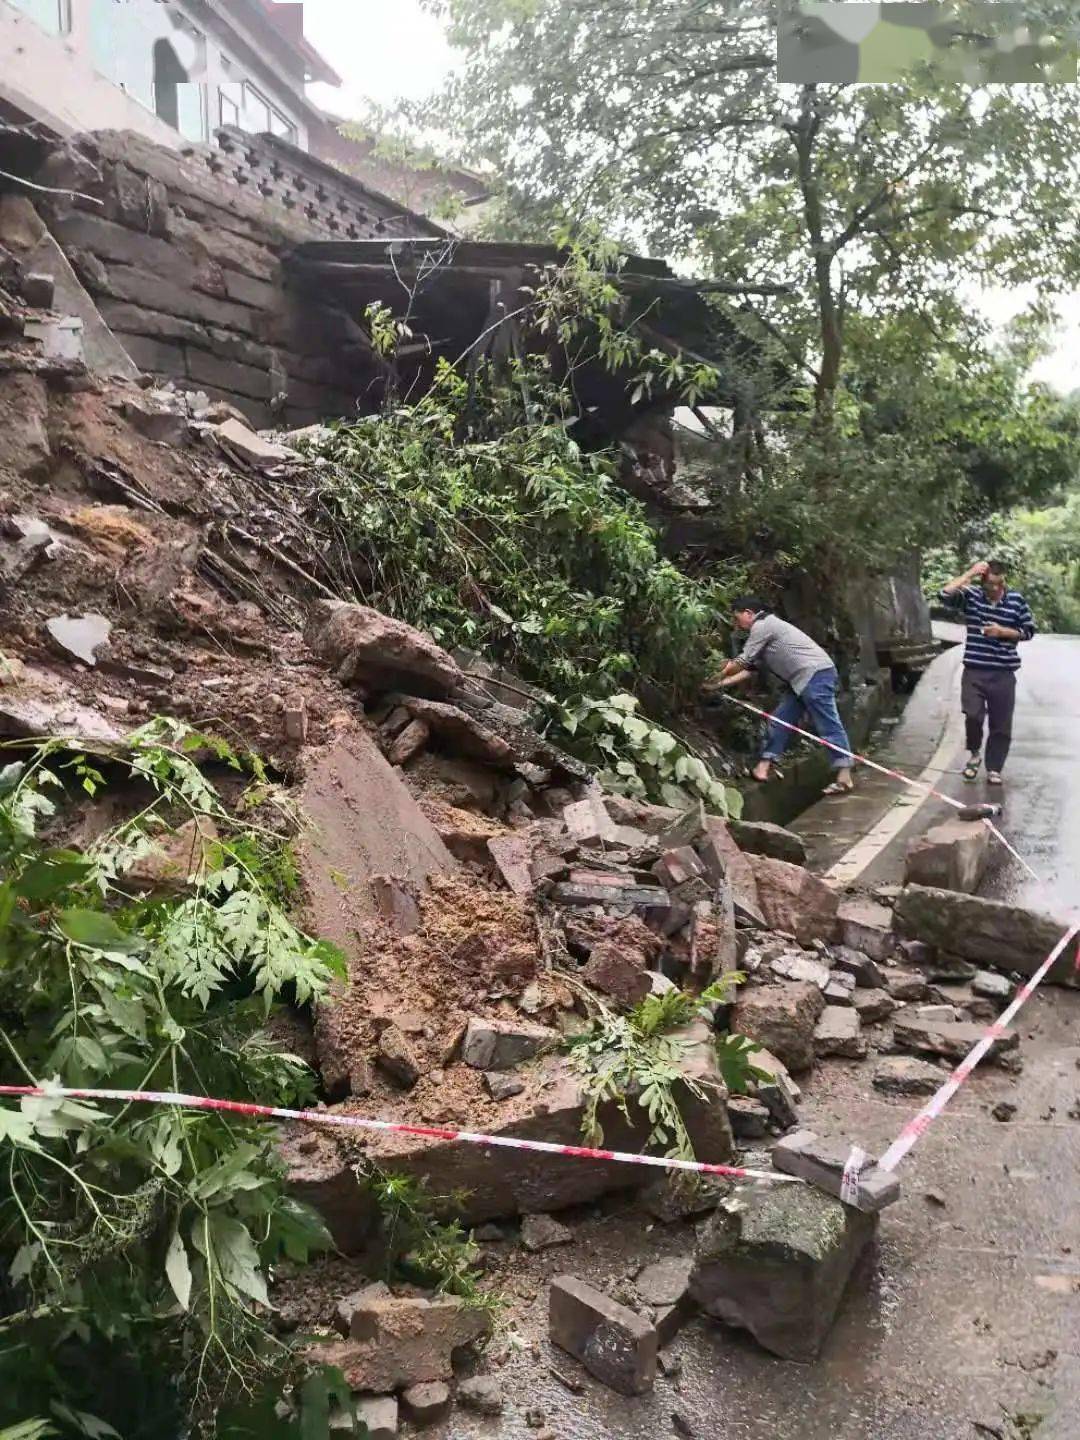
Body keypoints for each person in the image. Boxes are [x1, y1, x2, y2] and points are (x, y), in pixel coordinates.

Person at [705, 597, 855, 794]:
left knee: (827, 723)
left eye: (737, 617)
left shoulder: (763, 625)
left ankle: (845, 776)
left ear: (749, 613)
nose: (736, 624)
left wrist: (714, 676)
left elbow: (742, 661)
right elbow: (751, 669)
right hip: (801, 680)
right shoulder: (765, 631)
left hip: (815, 674)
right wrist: (718, 684)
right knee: (780, 719)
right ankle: (763, 767)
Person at [939, 559, 1035, 786]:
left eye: (999, 584)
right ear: (983, 584)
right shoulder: (972, 597)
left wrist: (1003, 631)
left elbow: (1028, 631)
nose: (996, 590)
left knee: (1001, 724)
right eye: (991, 585)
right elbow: (944, 595)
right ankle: (974, 754)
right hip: (975, 670)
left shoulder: (1016, 601)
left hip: (1003, 672)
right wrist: (969, 573)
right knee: (973, 715)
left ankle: (994, 768)